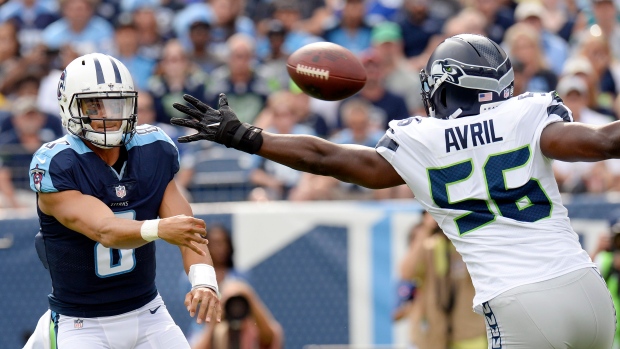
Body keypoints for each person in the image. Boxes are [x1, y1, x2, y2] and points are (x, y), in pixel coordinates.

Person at [171, 34, 616, 348]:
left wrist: (249, 137)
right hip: (586, 289)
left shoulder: (423, 140)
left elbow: (328, 159)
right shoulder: (528, 113)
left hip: (519, 300)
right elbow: (601, 142)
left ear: (445, 86)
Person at [23, 53, 221, 349]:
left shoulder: (154, 149)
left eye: (116, 103)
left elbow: (190, 233)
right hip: (81, 322)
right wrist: (159, 229)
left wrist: (204, 281)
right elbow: (106, 230)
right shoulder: (56, 163)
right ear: (69, 105)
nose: (108, 115)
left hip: (148, 312)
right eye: (94, 105)